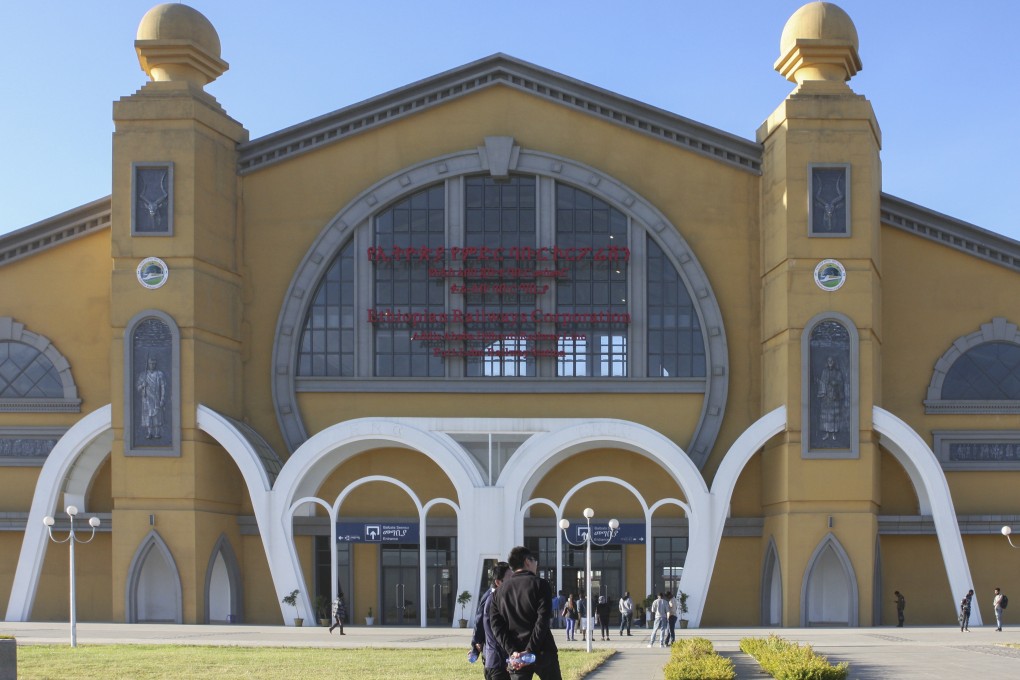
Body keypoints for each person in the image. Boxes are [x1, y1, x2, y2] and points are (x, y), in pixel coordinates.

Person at [490, 546, 561, 680]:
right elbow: (542, 620)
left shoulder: (498, 592)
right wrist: (529, 651)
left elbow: (497, 627)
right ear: (527, 561)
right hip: (542, 651)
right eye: (535, 561)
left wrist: (512, 651)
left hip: (516, 657)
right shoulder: (540, 585)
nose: (536, 564)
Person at [472, 561, 512, 680]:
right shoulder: (493, 600)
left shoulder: (494, 597)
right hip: (498, 661)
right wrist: (475, 644)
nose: (513, 581)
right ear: (498, 582)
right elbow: (480, 622)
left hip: (493, 660)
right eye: (510, 578)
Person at [817, 355, 847, 443]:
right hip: (826, 398)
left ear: (834, 362)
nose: (830, 362)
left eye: (832, 361)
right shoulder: (824, 371)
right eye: (829, 360)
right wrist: (824, 390)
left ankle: (834, 433)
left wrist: (835, 384)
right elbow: (822, 382)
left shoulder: (838, 372)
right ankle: (826, 433)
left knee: (834, 416)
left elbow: (841, 383)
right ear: (827, 362)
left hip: (835, 397)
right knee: (826, 416)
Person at [136, 355, 167, 439]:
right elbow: (138, 388)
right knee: (148, 416)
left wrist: (162, 399)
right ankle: (149, 433)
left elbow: (163, 387)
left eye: (154, 363)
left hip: (156, 398)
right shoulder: (143, 375)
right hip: (146, 399)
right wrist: (143, 385)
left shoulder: (160, 374)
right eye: (150, 363)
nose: (152, 365)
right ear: (148, 364)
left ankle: (157, 433)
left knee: (157, 417)